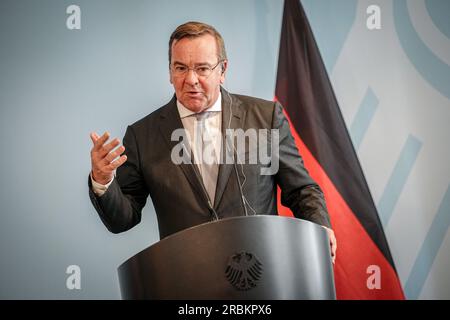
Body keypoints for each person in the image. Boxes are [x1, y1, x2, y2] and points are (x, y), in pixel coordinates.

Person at [89, 21, 336, 263]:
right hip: (187, 279)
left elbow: (301, 190)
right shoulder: (142, 136)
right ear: (170, 71)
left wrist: (320, 227)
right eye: (181, 68)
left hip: (260, 271)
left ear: (223, 71)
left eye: (202, 68)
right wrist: (103, 182)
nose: (191, 79)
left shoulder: (265, 118)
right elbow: (122, 219)